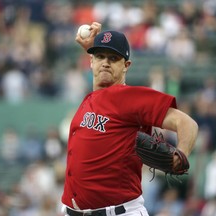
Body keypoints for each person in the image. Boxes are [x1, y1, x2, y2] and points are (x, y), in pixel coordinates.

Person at [60, 22, 198, 216]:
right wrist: (95, 47)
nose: (105, 62)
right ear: (90, 61)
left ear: (126, 66)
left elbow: (187, 124)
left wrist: (181, 154)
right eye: (100, 56)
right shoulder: (92, 97)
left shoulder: (131, 97)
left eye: (113, 58)